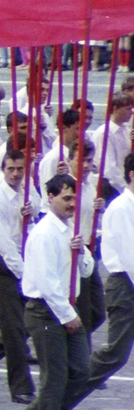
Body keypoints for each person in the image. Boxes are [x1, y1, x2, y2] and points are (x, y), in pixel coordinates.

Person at [20, 174, 96, 410]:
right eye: (65, 198)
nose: (71, 204)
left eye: (74, 198)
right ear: (50, 197)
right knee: (54, 376)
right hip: (46, 311)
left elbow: (86, 270)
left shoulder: (68, 230)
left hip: (66, 308)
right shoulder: (43, 233)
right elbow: (47, 281)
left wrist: (82, 252)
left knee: (81, 370)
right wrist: (67, 315)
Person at [0, 150, 38, 406]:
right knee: (15, 327)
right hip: (4, 263)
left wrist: (32, 207)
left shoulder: (25, 189)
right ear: (2, 170)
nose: (16, 174)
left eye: (20, 168)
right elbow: (5, 245)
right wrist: (25, 277)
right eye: (11, 169)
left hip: (21, 257)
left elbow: (39, 206)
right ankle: (20, 386)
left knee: (4, 321)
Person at [86, 153, 134, 391]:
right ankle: (59, 397)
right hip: (125, 284)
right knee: (116, 353)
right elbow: (130, 256)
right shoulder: (121, 209)